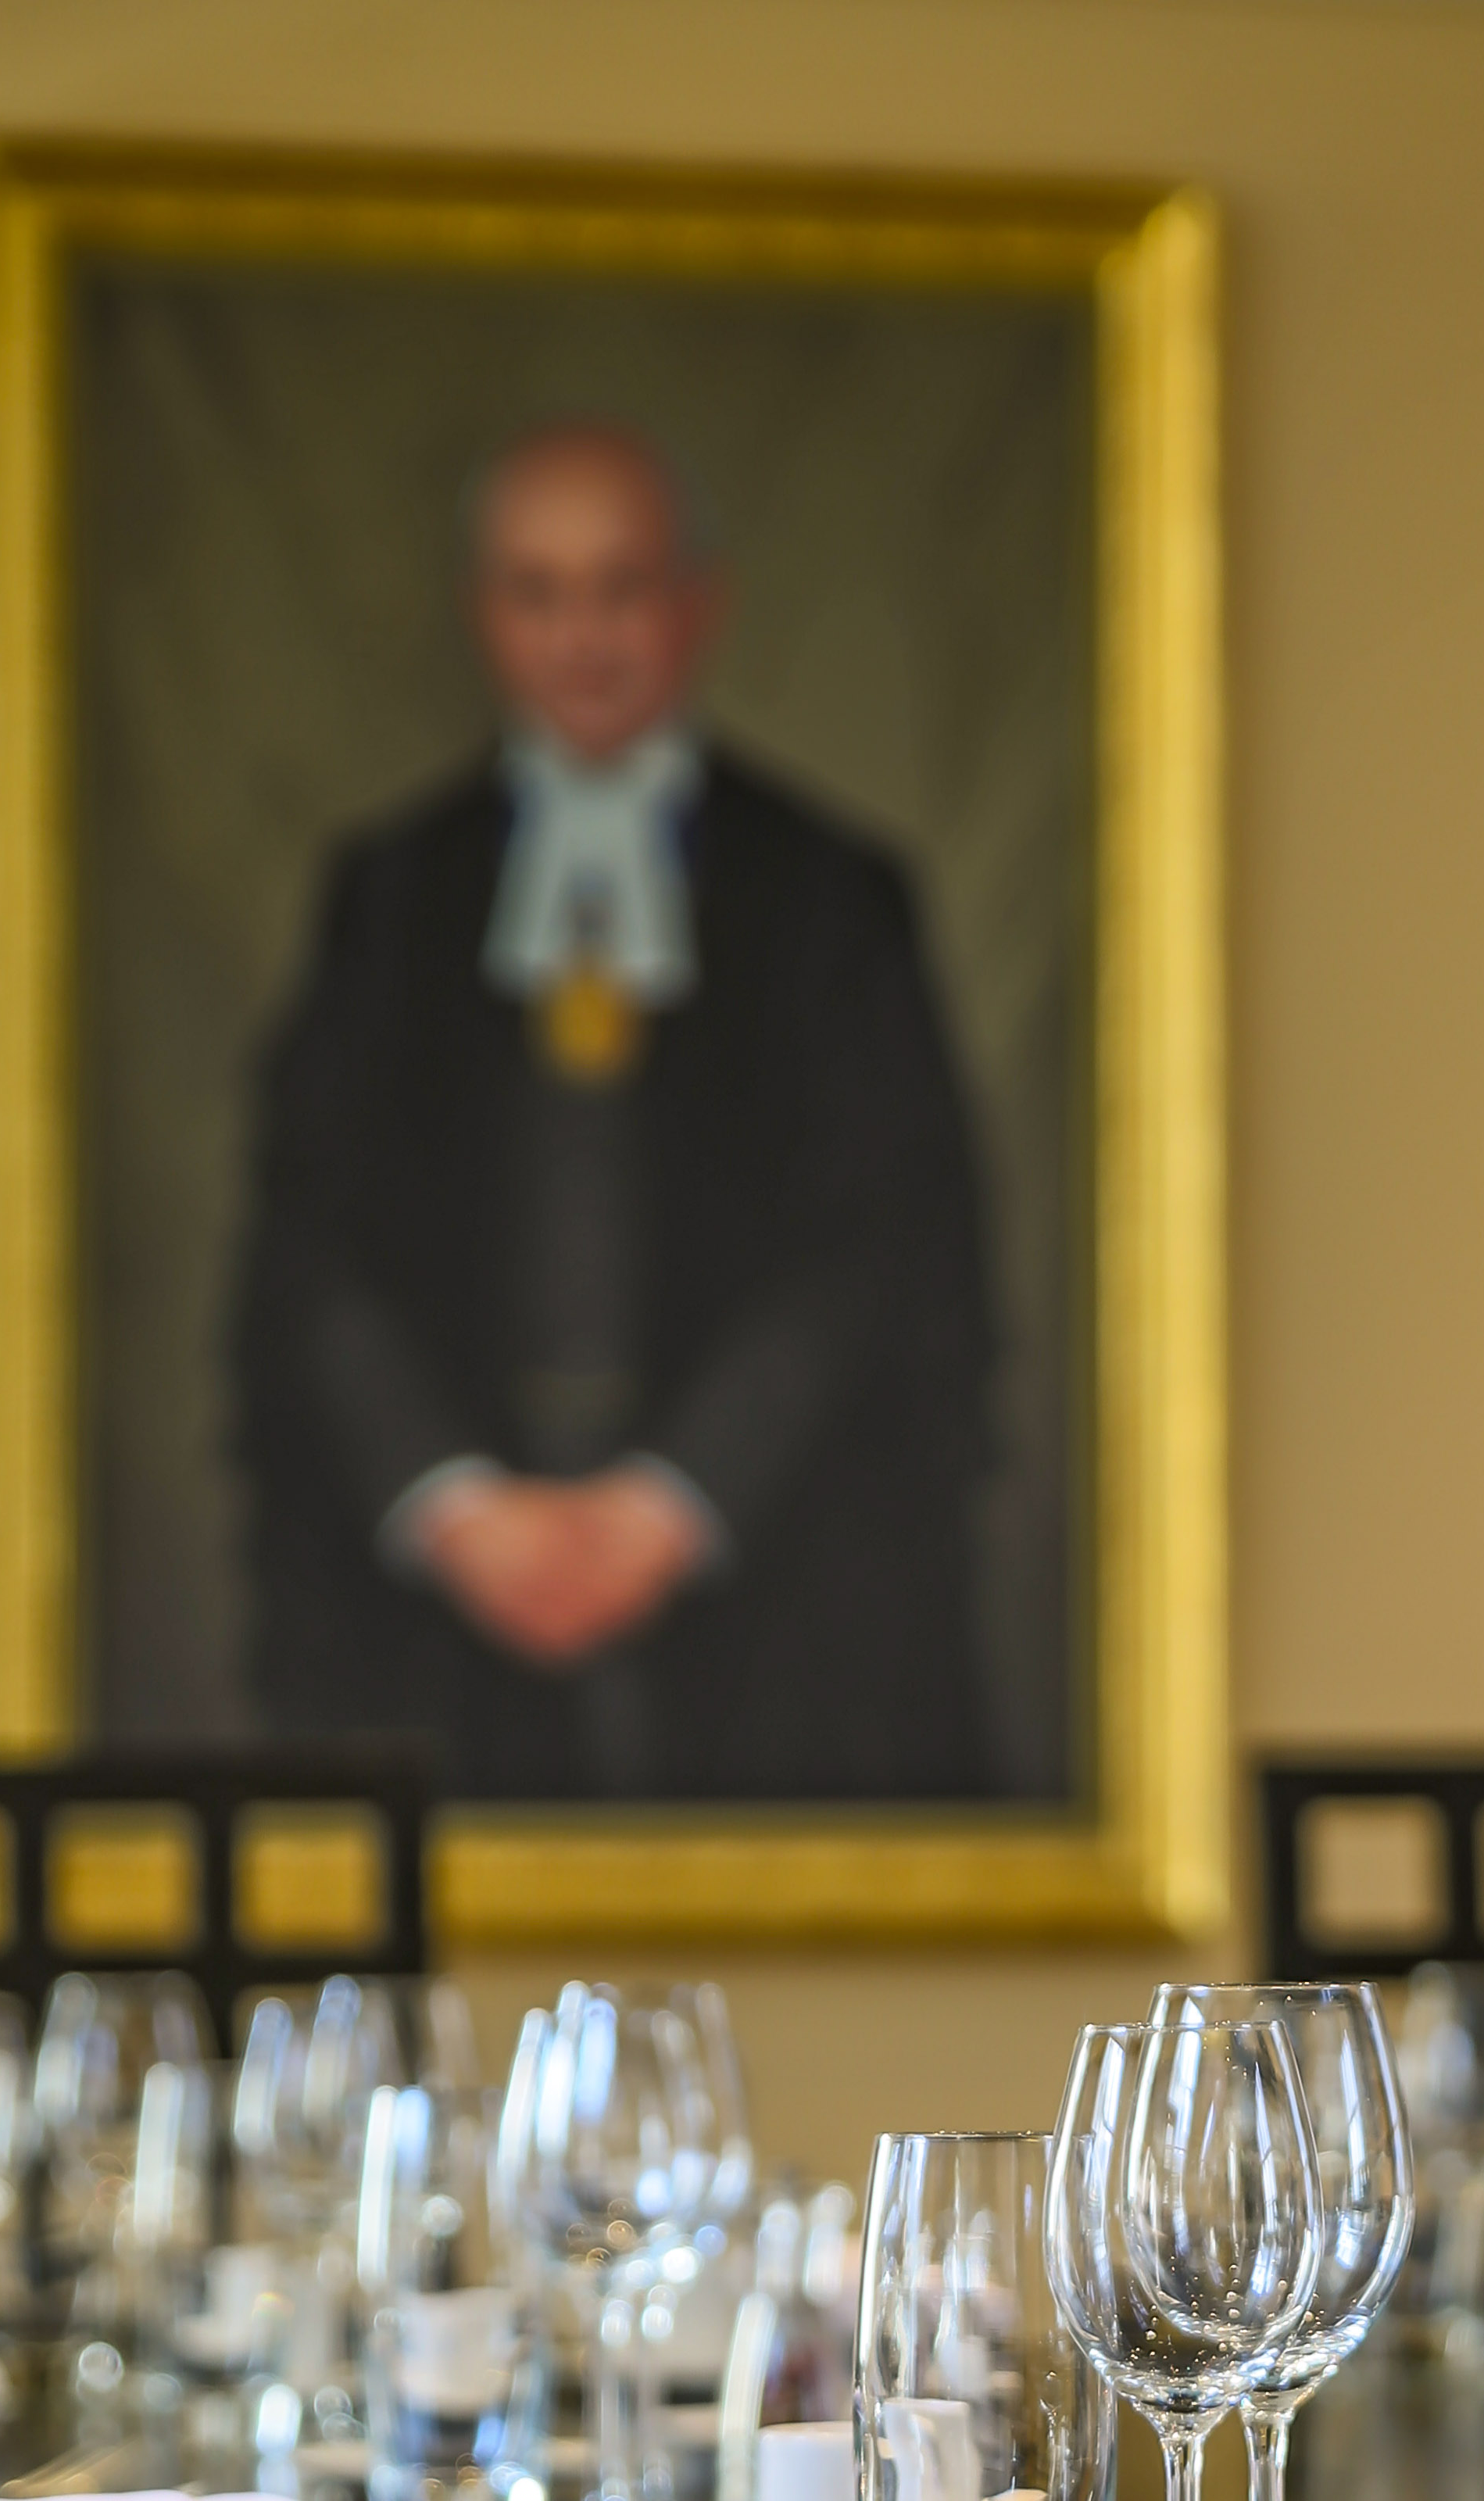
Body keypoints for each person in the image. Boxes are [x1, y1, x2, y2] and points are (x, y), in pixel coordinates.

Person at [231, 422, 1002, 1803]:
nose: (583, 637)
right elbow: (309, 1248)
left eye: (621, 588)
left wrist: (674, 1505)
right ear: (484, 614)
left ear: (699, 606)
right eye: (539, 592)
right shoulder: (392, 894)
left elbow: (887, 1241)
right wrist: (458, 1507)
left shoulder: (830, 896)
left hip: (781, 1635)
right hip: (439, 1633)